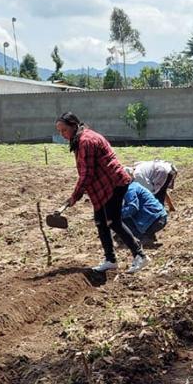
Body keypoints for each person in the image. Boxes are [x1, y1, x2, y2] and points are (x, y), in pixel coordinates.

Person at [55, 112, 149, 274]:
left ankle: (140, 256)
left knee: (113, 222)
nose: (62, 134)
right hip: (102, 186)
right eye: (59, 131)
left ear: (74, 126)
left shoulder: (86, 141)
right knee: (101, 221)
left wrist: (75, 196)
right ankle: (110, 260)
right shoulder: (82, 137)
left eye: (64, 130)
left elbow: (87, 174)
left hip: (113, 184)